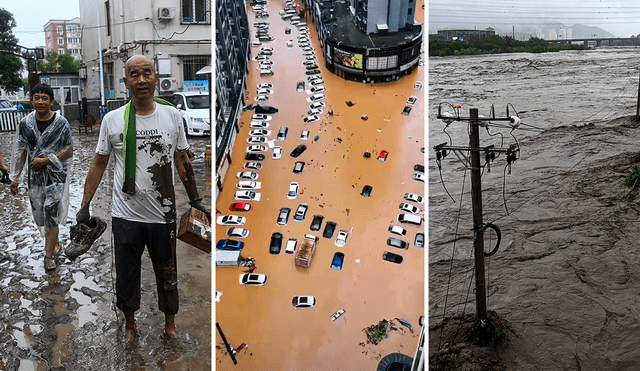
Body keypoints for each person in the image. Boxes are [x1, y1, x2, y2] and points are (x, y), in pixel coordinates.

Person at [78, 55, 209, 341]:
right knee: (126, 275)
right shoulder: (112, 121)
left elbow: (182, 159)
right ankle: (129, 325)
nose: (141, 80)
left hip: (163, 215)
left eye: (146, 73)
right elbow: (99, 163)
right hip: (125, 215)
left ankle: (169, 324)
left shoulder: (173, 115)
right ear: (125, 82)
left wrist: (196, 199)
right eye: (134, 75)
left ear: (155, 77)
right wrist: (84, 205)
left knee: (168, 273)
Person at [9, 83, 73, 270]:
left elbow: (69, 150)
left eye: (45, 98)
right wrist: (15, 178)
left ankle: (48, 256)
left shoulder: (61, 124)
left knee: (51, 214)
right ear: (31, 99)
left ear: (52, 101)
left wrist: (46, 160)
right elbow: (20, 151)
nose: (40, 101)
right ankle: (54, 240)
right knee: (41, 217)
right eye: (36, 97)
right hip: (34, 178)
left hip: (56, 177)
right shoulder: (25, 124)